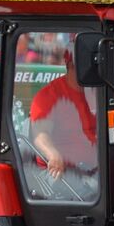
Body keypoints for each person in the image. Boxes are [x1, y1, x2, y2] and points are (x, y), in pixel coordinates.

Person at [28, 47, 98, 200]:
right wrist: (53, 154)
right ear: (70, 65)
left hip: (98, 166)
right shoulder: (49, 95)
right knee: (96, 193)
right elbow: (40, 134)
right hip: (62, 170)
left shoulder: (100, 90)